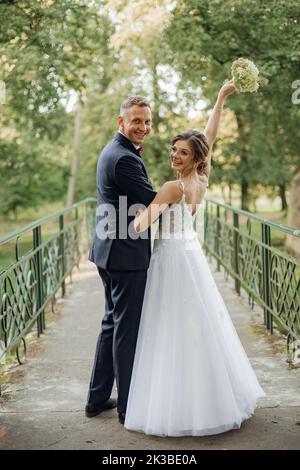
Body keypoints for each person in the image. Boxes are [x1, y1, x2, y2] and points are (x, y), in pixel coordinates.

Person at [124, 80, 265, 436]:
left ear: (194, 159)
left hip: (171, 261)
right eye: (173, 149)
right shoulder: (201, 178)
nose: (174, 155)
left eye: (182, 153)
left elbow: (141, 226)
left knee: (169, 330)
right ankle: (209, 399)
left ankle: (178, 407)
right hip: (192, 257)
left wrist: (132, 211)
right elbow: (210, 136)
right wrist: (220, 98)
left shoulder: (172, 188)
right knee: (197, 327)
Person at [86, 96, 156, 424]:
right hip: (124, 254)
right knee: (125, 331)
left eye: (147, 121)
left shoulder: (113, 150)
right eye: (137, 121)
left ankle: (96, 399)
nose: (143, 127)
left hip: (108, 249)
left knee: (111, 323)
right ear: (121, 122)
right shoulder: (124, 159)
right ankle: (128, 407)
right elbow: (154, 201)